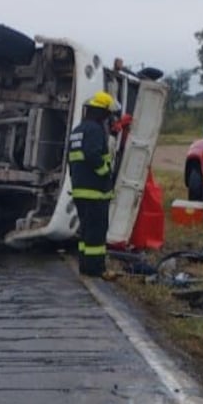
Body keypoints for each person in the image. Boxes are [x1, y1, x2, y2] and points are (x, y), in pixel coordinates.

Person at [68, 90, 120, 279]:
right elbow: (92, 155)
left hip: (80, 190)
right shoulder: (95, 130)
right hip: (95, 192)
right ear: (101, 112)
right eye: (108, 114)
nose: (108, 118)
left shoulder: (78, 131)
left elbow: (73, 160)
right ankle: (97, 269)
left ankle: (85, 266)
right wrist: (105, 172)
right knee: (96, 234)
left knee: (86, 232)